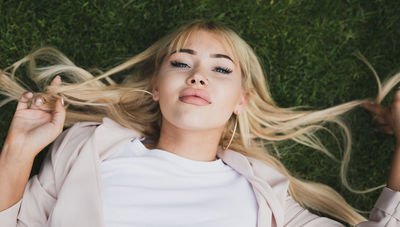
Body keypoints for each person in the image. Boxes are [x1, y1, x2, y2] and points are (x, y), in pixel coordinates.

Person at [0, 20, 399, 226]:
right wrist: (18, 154)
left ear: (240, 101)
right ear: (156, 87)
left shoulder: (268, 200)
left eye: (221, 69)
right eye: (180, 63)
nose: (197, 76)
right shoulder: (87, 148)